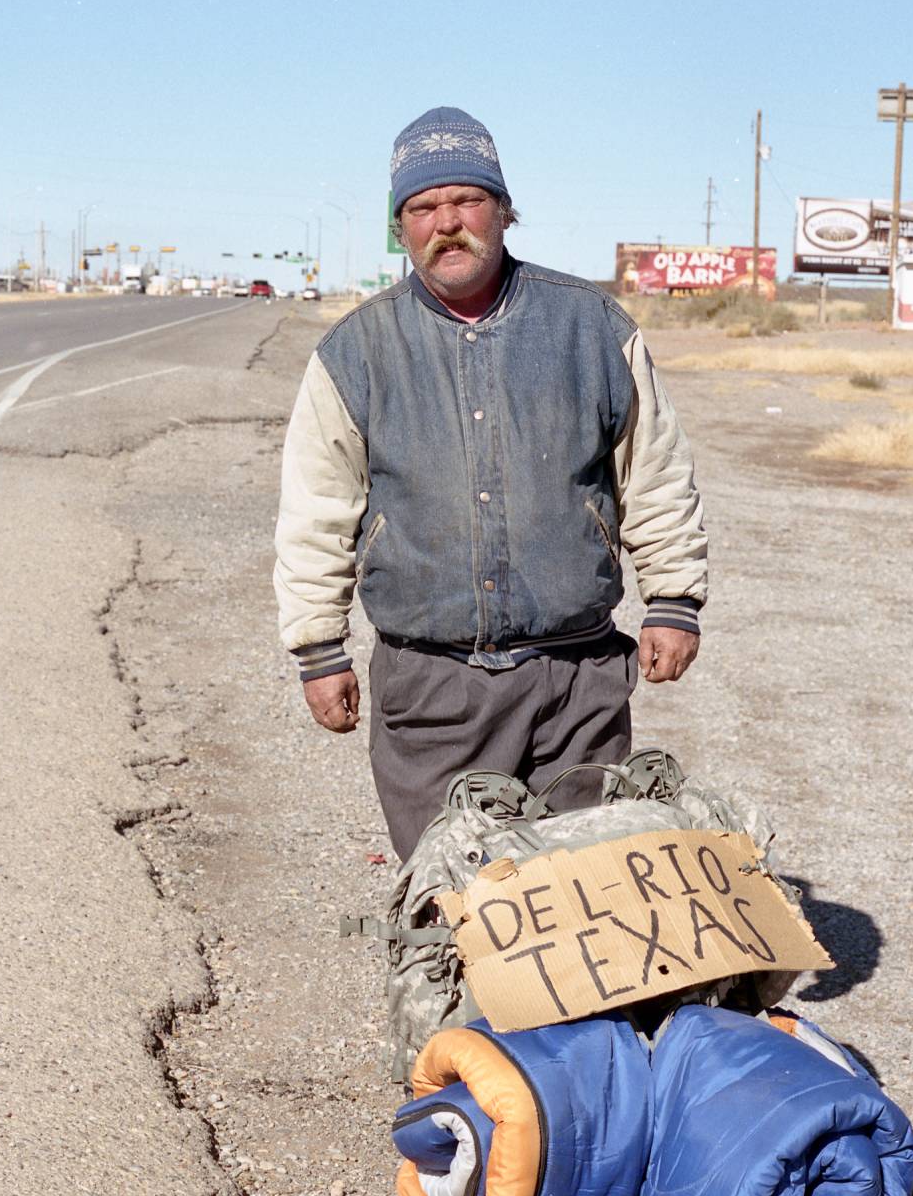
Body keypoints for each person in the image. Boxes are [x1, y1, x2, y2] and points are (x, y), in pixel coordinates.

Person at [273, 105, 709, 860]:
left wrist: (674, 599)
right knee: (458, 910)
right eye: (422, 207)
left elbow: (655, 471)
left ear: (503, 211)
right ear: (401, 226)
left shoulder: (591, 328)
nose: (447, 222)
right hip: (431, 691)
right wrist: (320, 648)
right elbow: (316, 512)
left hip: (577, 681)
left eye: (466, 200)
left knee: (586, 902)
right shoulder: (356, 352)